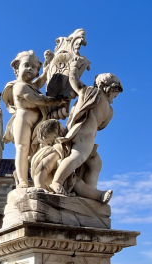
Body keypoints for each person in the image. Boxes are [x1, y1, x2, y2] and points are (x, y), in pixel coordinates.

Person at [50, 56, 121, 202]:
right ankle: (56, 182)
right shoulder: (92, 93)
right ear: (108, 88)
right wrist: (74, 67)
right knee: (77, 156)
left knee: (95, 162)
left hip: (89, 137)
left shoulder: (109, 108)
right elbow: (75, 83)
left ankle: (90, 192)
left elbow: (102, 125)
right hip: (82, 133)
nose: (115, 97)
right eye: (115, 93)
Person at [2, 50, 66, 188]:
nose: (30, 69)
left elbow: (39, 82)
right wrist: (58, 101)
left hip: (37, 122)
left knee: (36, 151)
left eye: (34, 67)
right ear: (17, 68)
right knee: (22, 149)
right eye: (26, 65)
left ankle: (38, 180)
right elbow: (38, 99)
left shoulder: (30, 85)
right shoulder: (19, 86)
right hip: (23, 119)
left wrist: (47, 68)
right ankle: (23, 180)